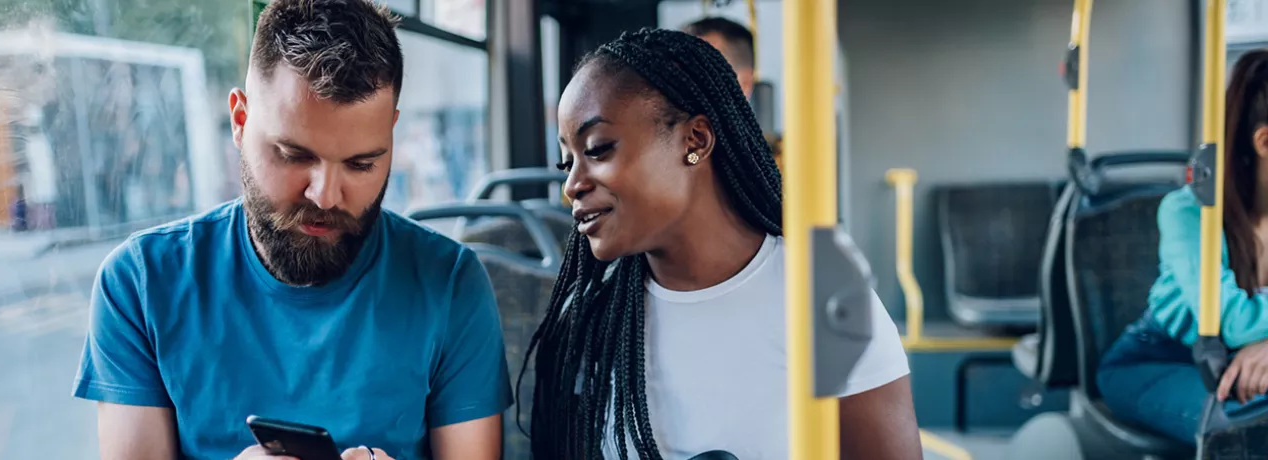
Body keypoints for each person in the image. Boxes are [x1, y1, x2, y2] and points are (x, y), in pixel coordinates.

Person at [71, 1, 512, 459]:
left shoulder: (451, 283)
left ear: (391, 134)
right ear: (240, 122)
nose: (325, 195)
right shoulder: (140, 284)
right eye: (294, 155)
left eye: (362, 164)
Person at [522, 28, 920, 459]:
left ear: (695, 141)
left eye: (598, 149)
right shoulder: (593, 315)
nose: (572, 185)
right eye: (567, 162)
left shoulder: (823, 287)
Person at [1097, 49, 1268, 446]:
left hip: (1237, 362)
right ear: (1263, 141)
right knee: (1250, 426)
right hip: (1157, 361)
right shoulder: (1188, 214)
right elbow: (1234, 322)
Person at [681, 17, 784, 175]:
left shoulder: (779, 165)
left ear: (744, 84)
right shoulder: (672, 152)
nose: (688, 84)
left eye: (704, 73)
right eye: (680, 71)